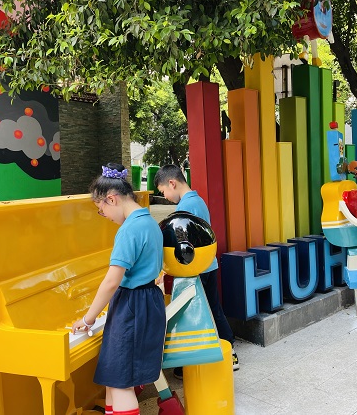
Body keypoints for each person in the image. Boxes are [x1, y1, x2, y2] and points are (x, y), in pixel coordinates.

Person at [72, 163, 166, 415]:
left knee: (121, 382)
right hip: (147, 302)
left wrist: (88, 318)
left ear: (111, 199)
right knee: (114, 377)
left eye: (101, 209)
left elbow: (111, 281)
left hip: (132, 306)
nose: (103, 214)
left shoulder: (129, 230)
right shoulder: (149, 222)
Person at [154, 164, 239, 379]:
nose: (165, 197)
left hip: (196, 269)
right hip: (207, 265)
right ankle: (224, 352)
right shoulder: (197, 200)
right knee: (212, 309)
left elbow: (183, 245)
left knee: (197, 313)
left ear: (172, 183)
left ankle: (219, 354)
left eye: (163, 191)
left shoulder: (185, 208)